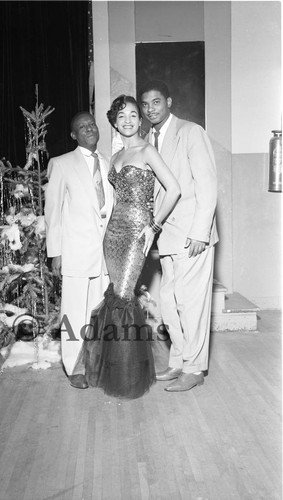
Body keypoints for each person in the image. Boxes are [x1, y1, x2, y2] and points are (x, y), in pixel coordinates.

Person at [77, 95, 181, 399]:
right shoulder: (117, 157)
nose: (128, 121)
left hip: (138, 233)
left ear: (141, 119)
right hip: (113, 234)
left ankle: (127, 378)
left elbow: (173, 189)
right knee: (116, 296)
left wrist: (154, 225)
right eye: (121, 116)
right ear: (113, 121)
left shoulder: (147, 151)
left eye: (134, 115)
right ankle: (108, 370)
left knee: (124, 297)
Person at [139, 80, 219, 392]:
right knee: (170, 303)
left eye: (156, 102)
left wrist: (201, 231)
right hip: (167, 237)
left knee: (192, 304)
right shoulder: (148, 139)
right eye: (145, 105)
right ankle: (179, 360)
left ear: (169, 102)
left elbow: (207, 184)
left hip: (191, 236)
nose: (150, 109)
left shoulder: (190, 131)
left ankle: (194, 368)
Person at [44, 112, 115, 389]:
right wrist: (56, 253)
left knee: (98, 313)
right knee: (74, 313)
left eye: (92, 125)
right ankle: (74, 367)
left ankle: (96, 364)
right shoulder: (61, 164)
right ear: (73, 135)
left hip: (103, 258)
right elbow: (53, 213)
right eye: (82, 127)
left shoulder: (108, 164)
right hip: (75, 253)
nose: (90, 129)